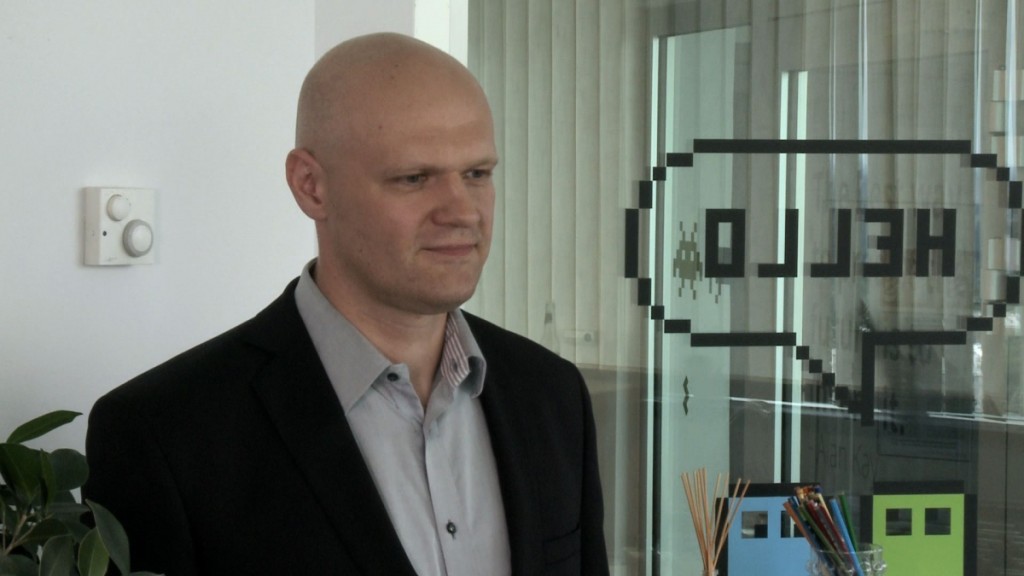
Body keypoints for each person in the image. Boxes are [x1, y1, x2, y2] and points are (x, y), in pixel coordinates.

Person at [84, 32, 609, 576]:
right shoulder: (166, 434)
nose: (462, 211)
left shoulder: (553, 396)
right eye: (414, 178)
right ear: (311, 185)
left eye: (477, 174)